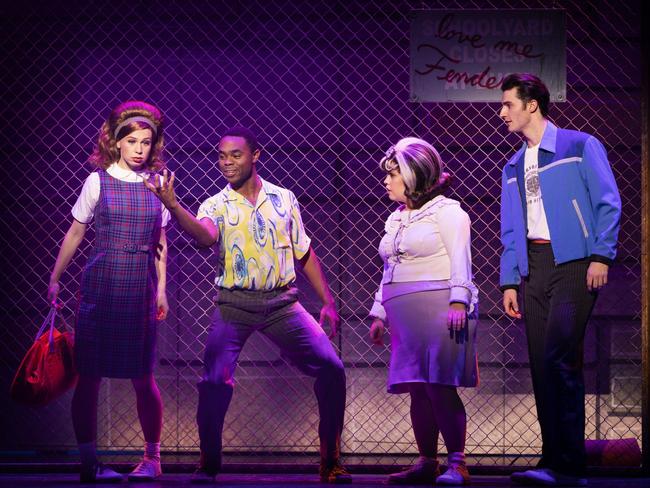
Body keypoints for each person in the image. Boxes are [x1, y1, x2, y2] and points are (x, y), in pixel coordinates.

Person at [143, 126, 351, 484]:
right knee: (213, 382)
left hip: (283, 303)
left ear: (255, 155)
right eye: (221, 156)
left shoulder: (284, 198)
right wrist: (174, 205)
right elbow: (206, 237)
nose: (226, 162)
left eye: (234, 155)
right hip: (234, 304)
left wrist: (328, 302)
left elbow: (304, 252)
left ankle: (330, 461)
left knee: (332, 369)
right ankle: (209, 464)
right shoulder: (216, 204)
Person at [498, 73, 622, 486]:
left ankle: (569, 466)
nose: (502, 114)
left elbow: (607, 202)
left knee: (558, 358)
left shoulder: (578, 145)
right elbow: (511, 229)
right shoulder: (513, 164)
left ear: (531, 104)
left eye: (508, 105)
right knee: (540, 364)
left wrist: (601, 254)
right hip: (533, 266)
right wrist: (510, 280)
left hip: (574, 261)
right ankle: (552, 460)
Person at [48, 101, 170, 482]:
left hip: (139, 286)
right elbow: (76, 231)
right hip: (102, 284)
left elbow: (161, 241)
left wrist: (162, 289)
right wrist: (55, 277)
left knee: (143, 376)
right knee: (89, 375)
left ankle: (152, 458)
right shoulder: (97, 181)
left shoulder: (158, 182)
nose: (139, 148)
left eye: (146, 142)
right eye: (131, 140)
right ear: (115, 142)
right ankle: (89, 462)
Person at [368, 137, 479, 486]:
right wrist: (379, 313)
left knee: (439, 385)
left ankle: (457, 463)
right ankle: (427, 461)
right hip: (404, 314)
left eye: (392, 175)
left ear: (413, 175)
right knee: (417, 386)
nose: (386, 182)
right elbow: (390, 267)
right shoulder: (396, 218)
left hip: (440, 308)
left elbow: (461, 258)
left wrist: (459, 300)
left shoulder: (448, 212)